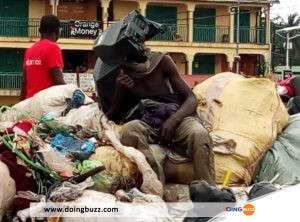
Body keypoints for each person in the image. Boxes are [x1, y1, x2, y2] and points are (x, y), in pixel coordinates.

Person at [105, 50, 215, 185]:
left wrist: (173, 120)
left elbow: (191, 98)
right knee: (129, 130)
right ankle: (156, 186)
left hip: (176, 117)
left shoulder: (162, 62)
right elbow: (112, 117)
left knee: (200, 134)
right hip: (148, 123)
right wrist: (119, 90)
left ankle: (207, 191)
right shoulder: (121, 77)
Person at [21, 15, 65, 100]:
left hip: (30, 104)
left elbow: (24, 82)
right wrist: (71, 93)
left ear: (40, 31)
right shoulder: (53, 48)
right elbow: (58, 80)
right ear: (57, 31)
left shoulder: (29, 51)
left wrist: (20, 105)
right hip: (46, 105)